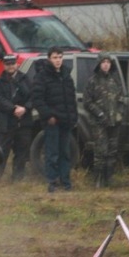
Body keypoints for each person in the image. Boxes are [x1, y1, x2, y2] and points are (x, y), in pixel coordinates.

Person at [32, 47, 78, 192]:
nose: (58, 60)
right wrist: (48, 116)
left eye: (60, 57)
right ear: (49, 59)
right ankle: (52, 182)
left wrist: (73, 117)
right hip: (52, 121)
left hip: (66, 120)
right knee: (52, 153)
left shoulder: (66, 75)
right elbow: (37, 99)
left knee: (65, 152)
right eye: (55, 57)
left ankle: (66, 182)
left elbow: (71, 99)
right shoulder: (42, 76)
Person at [0, 55, 33, 185]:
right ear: (3, 65)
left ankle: (17, 180)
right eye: (7, 64)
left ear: (17, 64)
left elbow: (33, 96)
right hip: (5, 122)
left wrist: (25, 108)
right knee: (0, 151)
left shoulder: (25, 79)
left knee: (21, 152)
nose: (10, 66)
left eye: (12, 63)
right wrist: (13, 109)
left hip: (23, 122)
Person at [82, 53, 125, 188]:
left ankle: (109, 178)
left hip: (114, 123)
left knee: (112, 151)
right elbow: (87, 102)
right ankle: (98, 179)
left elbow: (121, 99)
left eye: (108, 62)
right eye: (103, 62)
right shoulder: (92, 81)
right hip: (99, 123)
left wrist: (119, 115)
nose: (106, 64)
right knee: (101, 151)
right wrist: (100, 114)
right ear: (99, 64)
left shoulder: (115, 80)